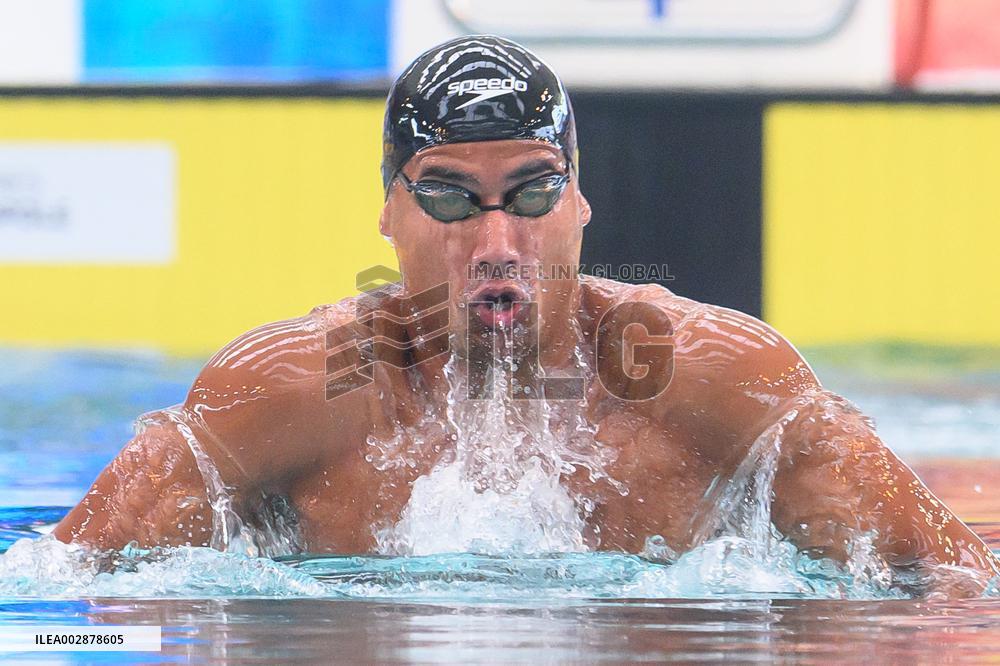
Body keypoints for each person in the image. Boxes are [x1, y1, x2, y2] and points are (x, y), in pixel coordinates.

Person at [54, 35, 998, 596]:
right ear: (388, 214)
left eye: (534, 193)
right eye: (450, 197)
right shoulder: (285, 394)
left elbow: (954, 589)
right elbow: (58, 607)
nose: (498, 241)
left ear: (580, 202)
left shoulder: (722, 381)